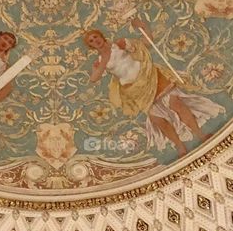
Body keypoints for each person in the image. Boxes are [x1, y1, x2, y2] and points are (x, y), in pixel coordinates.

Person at [85, 20, 223, 157]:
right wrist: (104, 59)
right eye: (91, 41)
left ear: (101, 36)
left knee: (177, 104)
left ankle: (200, 134)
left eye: (95, 37)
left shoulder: (119, 44)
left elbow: (146, 43)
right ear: (91, 46)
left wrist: (144, 26)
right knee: (158, 120)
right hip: (135, 90)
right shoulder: (99, 61)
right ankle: (180, 146)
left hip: (149, 76)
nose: (95, 41)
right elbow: (93, 78)